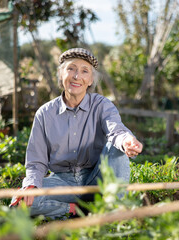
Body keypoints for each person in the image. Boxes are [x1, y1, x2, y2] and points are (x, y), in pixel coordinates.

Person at [10, 48, 143, 219]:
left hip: (96, 179)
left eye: (84, 71)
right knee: (20, 201)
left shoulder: (101, 105)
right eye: (71, 69)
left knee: (117, 146)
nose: (76, 76)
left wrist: (126, 140)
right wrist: (31, 186)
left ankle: (115, 211)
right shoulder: (45, 114)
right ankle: (76, 210)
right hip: (62, 183)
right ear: (61, 74)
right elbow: (36, 162)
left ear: (90, 80)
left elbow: (115, 130)